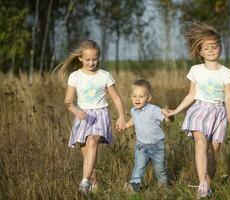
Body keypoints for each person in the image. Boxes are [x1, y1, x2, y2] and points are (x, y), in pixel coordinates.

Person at [164, 22, 230, 198]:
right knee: (200, 142)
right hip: (199, 110)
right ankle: (201, 185)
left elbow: (228, 96)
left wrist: (229, 115)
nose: (211, 50)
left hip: (219, 113)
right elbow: (191, 95)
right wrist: (175, 111)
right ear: (200, 51)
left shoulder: (226, 72)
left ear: (220, 47)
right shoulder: (195, 70)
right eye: (207, 48)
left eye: (214, 47)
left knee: (213, 152)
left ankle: (207, 186)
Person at [55, 39, 126, 194]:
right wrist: (75, 110)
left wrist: (121, 116)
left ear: (99, 58)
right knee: (88, 155)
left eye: (94, 59)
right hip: (82, 117)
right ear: (80, 58)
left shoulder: (105, 75)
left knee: (92, 140)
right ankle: (93, 186)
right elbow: (68, 102)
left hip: (100, 115)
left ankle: (84, 182)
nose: (91, 63)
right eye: (87, 59)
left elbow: (116, 98)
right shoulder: (75, 76)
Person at [124, 79, 172, 192]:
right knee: (139, 167)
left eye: (141, 96)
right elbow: (134, 120)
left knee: (160, 169)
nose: (137, 99)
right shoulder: (133, 110)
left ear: (148, 98)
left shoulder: (153, 109)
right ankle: (134, 186)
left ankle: (163, 187)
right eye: (134, 96)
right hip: (141, 146)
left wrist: (169, 116)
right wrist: (126, 125)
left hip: (157, 146)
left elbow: (166, 119)